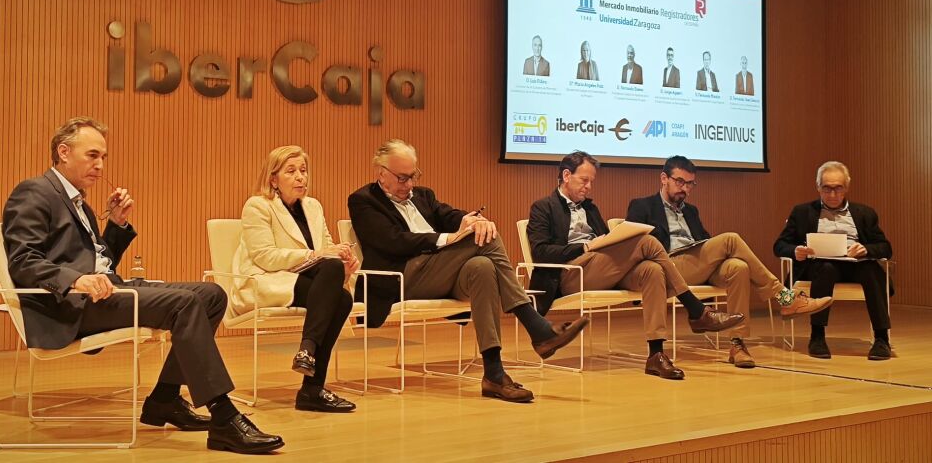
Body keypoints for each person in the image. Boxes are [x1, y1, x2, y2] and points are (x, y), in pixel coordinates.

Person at [2, 117, 282, 455]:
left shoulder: (79, 203)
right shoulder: (34, 191)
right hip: (71, 305)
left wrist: (116, 224)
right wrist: (75, 280)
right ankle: (224, 417)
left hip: (103, 291)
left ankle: (164, 399)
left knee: (211, 294)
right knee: (183, 303)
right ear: (63, 152)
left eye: (103, 157)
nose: (100, 165)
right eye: (92, 155)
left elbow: (99, 261)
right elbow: (23, 261)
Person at [348, 139, 588, 403]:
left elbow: (450, 215)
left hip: (439, 273)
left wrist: (473, 220)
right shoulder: (363, 201)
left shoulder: (423, 196)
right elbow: (392, 241)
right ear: (381, 173)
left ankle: (494, 374)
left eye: (413, 176)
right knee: (486, 240)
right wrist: (447, 238)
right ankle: (536, 326)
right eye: (402, 178)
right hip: (402, 278)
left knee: (482, 265)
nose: (409, 184)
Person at [527, 151, 744, 380]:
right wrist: (585, 247)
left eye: (592, 181)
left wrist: (609, 242)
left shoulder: (591, 209)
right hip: (572, 273)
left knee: (653, 270)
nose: (589, 186)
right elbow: (540, 252)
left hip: (601, 268)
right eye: (584, 180)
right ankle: (696, 309)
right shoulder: (543, 207)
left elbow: (607, 244)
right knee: (647, 241)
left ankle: (656, 355)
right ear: (566, 175)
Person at [626, 156, 832, 368]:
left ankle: (737, 344)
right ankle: (783, 296)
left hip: (695, 267)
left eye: (690, 184)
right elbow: (636, 248)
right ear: (664, 178)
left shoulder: (691, 211)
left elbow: (704, 242)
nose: (685, 188)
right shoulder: (642, 206)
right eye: (680, 182)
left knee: (738, 267)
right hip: (667, 268)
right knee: (731, 239)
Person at [233, 145, 359, 412]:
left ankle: (307, 354)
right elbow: (265, 256)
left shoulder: (313, 206)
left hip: (309, 278)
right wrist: (318, 255)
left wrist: (344, 262)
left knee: (340, 291)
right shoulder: (258, 206)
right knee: (340, 298)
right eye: (291, 171)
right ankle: (312, 386)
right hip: (267, 280)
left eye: (303, 170)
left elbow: (326, 248)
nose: (300, 177)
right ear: (273, 179)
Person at [774, 161, 893, 361]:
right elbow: (779, 245)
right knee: (826, 268)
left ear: (846, 187)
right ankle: (817, 336)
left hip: (855, 265)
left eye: (838, 188)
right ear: (818, 187)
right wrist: (795, 251)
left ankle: (882, 338)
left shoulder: (864, 213)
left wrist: (866, 249)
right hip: (819, 266)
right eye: (826, 188)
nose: (832, 194)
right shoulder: (802, 212)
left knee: (871, 269)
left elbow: (885, 248)